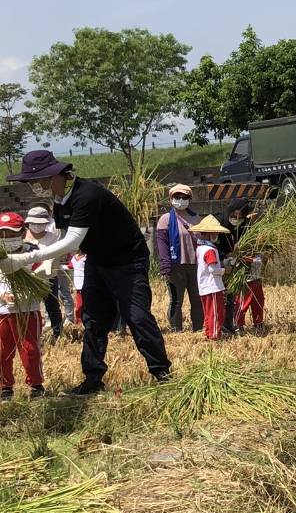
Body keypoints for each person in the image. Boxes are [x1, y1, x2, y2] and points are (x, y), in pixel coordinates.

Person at [3, 150, 171, 392]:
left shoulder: (87, 195)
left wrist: (28, 257)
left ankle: (161, 372)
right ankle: (93, 379)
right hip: (97, 261)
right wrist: (46, 269)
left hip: (128, 262)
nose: (34, 187)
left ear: (54, 175)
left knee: (136, 316)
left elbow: (72, 241)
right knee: (93, 320)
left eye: (36, 180)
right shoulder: (60, 202)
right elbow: (62, 239)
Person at [0, 211, 46, 398]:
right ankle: (5, 387)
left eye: (11, 233)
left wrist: (26, 292)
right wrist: (2, 295)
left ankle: (36, 385)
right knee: (2, 351)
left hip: (27, 309)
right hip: (2, 311)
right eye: (3, 234)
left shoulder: (32, 253)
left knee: (30, 350)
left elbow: (42, 277)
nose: (7, 238)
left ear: (21, 232)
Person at [155, 184, 204, 333]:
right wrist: (166, 265)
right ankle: (176, 330)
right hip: (175, 266)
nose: (181, 200)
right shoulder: (165, 219)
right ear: (171, 199)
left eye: (184, 198)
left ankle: (198, 328)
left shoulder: (196, 218)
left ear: (189, 199)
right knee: (177, 300)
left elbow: (203, 239)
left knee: (197, 299)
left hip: (195, 264)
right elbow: (162, 245)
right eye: (177, 197)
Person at [24, 207, 67, 341]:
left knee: (52, 305)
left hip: (48, 277)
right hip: (27, 278)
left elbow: (57, 255)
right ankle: (29, 334)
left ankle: (58, 333)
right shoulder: (22, 237)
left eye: (41, 223)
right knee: (28, 307)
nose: (37, 226)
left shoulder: (53, 237)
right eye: (34, 223)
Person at [190, 214, 230, 341]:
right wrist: (225, 270)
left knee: (208, 313)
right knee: (215, 313)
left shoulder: (200, 247)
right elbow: (213, 270)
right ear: (207, 233)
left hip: (204, 286)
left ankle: (209, 332)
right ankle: (214, 336)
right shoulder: (210, 250)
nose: (216, 236)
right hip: (212, 287)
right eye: (214, 233)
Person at [227, 200, 266, 331]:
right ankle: (238, 324)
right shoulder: (241, 233)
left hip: (257, 273)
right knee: (243, 301)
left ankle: (258, 322)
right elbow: (238, 253)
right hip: (246, 274)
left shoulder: (255, 232)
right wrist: (249, 259)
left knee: (258, 300)